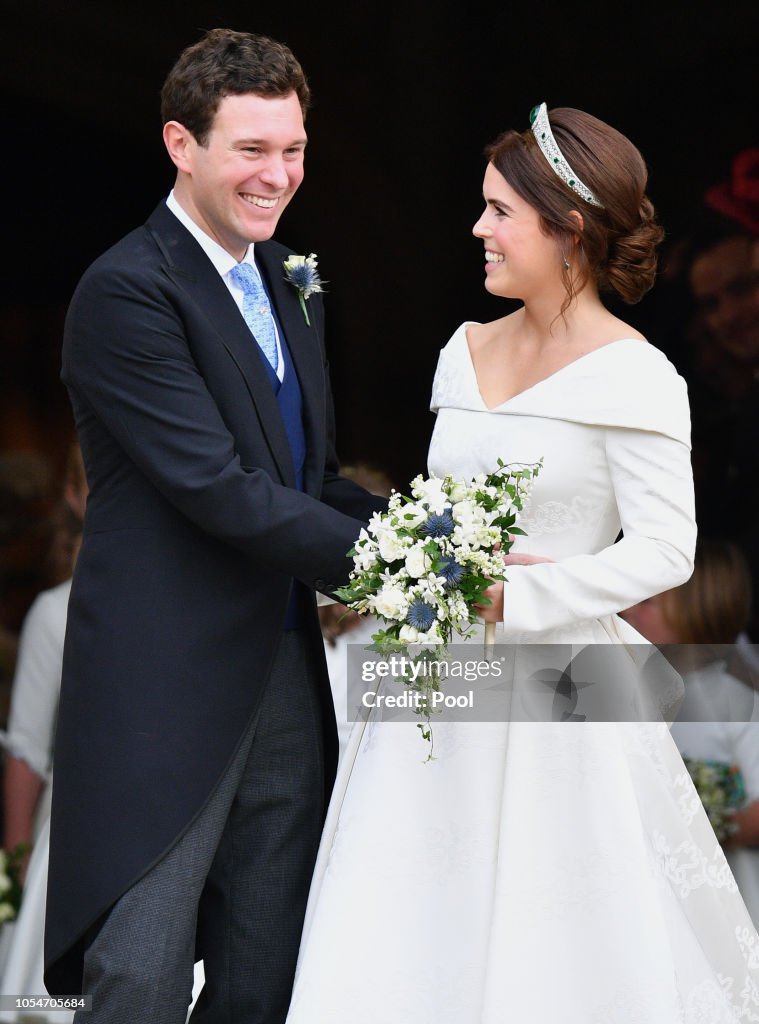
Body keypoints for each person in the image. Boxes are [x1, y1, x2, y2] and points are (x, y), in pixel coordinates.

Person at [286, 105, 759, 1022]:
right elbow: (437, 503)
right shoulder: (460, 353)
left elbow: (666, 550)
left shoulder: (640, 376)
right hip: (432, 674)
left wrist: (524, 594)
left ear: (568, 226)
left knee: (556, 919)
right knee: (405, 897)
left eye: (500, 211)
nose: (479, 230)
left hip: (564, 683)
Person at [44, 28, 384, 1024]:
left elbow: (309, 476)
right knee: (142, 976)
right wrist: (397, 568)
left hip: (284, 669)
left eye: (293, 149)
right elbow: (220, 488)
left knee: (264, 975)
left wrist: (435, 531)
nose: (277, 176)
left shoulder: (293, 282)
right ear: (180, 145)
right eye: (251, 150)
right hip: (165, 682)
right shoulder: (124, 290)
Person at [622, 540, 759, 927]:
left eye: (646, 602)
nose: (628, 610)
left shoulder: (736, 702)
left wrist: (697, 826)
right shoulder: (634, 691)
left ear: (698, 608)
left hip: (725, 888)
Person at [0, 443, 86, 1024]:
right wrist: (16, 869)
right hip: (69, 844)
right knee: (47, 1003)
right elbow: (26, 752)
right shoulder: (55, 614)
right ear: (74, 497)